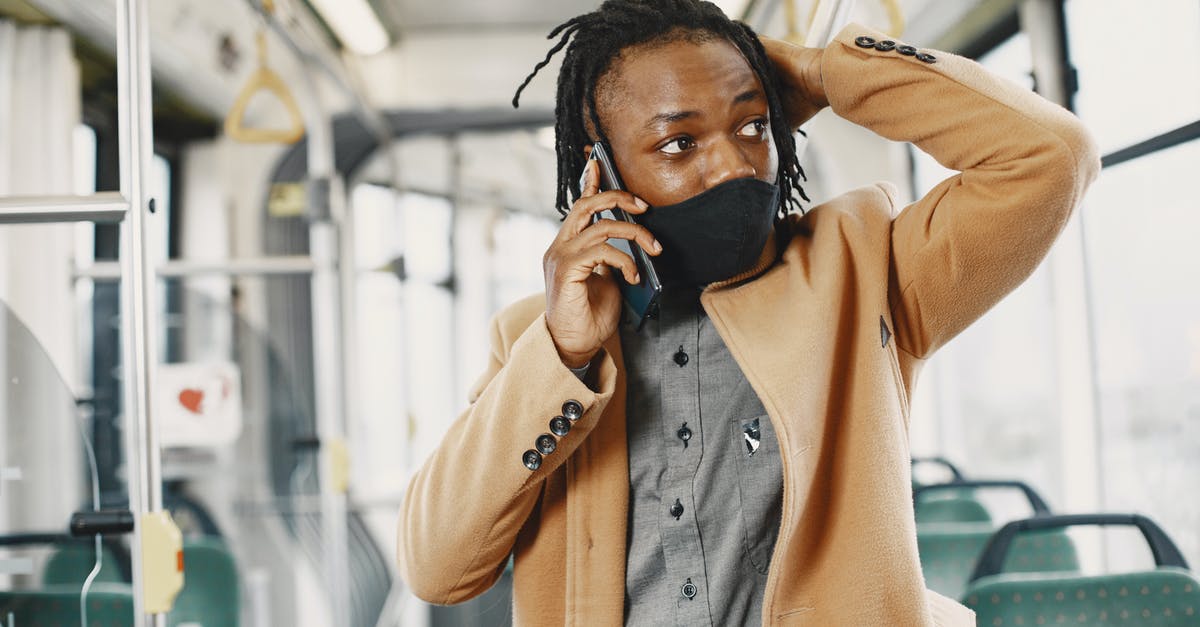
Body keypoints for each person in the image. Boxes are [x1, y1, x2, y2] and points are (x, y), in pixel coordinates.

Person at [397, 0, 1099, 624]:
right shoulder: (534, 341)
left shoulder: (863, 265)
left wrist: (825, 72)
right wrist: (564, 350)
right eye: (681, 143)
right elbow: (437, 567)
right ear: (599, 172)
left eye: (753, 124)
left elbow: (1053, 156)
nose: (735, 165)